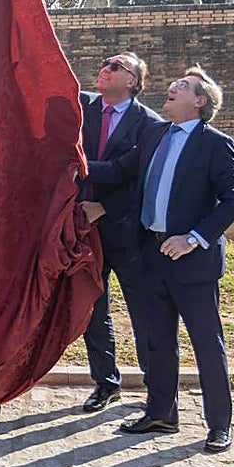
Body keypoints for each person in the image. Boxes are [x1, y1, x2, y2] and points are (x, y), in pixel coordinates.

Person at [86, 65, 234, 454]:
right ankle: (161, 413)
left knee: (207, 343)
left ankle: (219, 424)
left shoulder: (216, 143)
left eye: (183, 86)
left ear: (200, 101)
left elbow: (233, 200)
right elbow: (120, 171)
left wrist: (194, 238)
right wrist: (73, 161)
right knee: (157, 340)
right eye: (175, 83)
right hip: (149, 254)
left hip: (191, 262)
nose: (172, 88)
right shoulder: (154, 133)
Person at [77, 53, 162, 414]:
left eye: (115, 66)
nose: (105, 69)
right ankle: (106, 382)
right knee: (93, 311)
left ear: (131, 81)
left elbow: (142, 179)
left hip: (128, 234)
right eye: (104, 64)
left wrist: (106, 208)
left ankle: (157, 388)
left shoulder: (150, 124)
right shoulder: (84, 108)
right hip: (85, 231)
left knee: (144, 312)